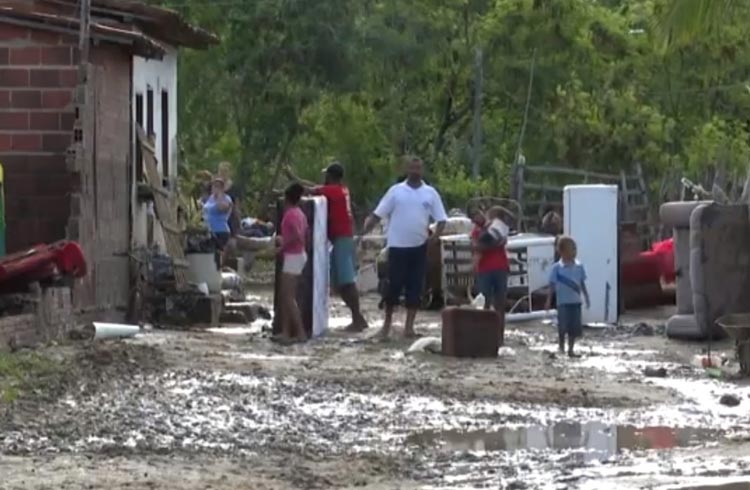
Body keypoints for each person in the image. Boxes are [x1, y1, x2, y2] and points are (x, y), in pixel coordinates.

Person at [362, 156, 447, 339]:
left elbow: (441, 219)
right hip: (398, 246)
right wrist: (369, 224)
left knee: (415, 287)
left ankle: (409, 327)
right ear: (406, 169)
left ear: (422, 170)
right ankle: (386, 326)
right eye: (412, 168)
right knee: (393, 286)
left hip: (419, 247)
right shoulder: (396, 191)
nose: (416, 171)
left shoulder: (430, 193)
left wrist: (436, 237)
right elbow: (379, 212)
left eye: (418, 168)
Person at [286, 162, 369, 332]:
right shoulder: (341, 190)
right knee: (339, 283)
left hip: (341, 239)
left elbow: (308, 190)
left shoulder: (332, 191)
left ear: (330, 176)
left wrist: (293, 178)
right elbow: (314, 187)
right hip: (343, 238)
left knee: (346, 281)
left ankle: (357, 318)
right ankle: (357, 317)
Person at [544, 236, 590, 358]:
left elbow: (582, 283)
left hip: (575, 302)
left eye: (575, 249)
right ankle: (561, 346)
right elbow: (552, 285)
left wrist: (586, 297)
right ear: (562, 251)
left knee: (574, 327)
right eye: (572, 249)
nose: (574, 252)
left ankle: (571, 349)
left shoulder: (579, 267)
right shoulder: (556, 268)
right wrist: (548, 301)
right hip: (562, 303)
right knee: (562, 326)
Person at [275, 182, 309, 344]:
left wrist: (282, 246)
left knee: (288, 297)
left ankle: (300, 332)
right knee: (286, 295)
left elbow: (296, 235)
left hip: (293, 256)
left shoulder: (290, 215)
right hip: (298, 255)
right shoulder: (300, 213)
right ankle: (286, 332)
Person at [471, 207, 510, 319]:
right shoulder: (476, 232)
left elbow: (503, 240)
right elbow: (477, 247)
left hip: (500, 267)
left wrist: (486, 246)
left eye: (478, 214)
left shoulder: (497, 225)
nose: (477, 217)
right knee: (484, 302)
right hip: (484, 270)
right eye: (474, 217)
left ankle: (499, 332)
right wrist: (494, 244)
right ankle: (486, 329)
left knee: (501, 302)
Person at [202, 177, 233, 266]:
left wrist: (220, 195)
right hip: (209, 230)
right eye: (214, 186)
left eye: (217, 187)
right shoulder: (210, 198)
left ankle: (218, 269)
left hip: (220, 230)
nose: (214, 188)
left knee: (218, 252)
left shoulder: (226, 199)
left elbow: (221, 208)